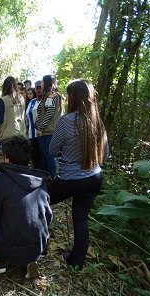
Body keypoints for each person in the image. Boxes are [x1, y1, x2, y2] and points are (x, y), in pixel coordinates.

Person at [47, 79, 108, 271]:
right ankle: (76, 261)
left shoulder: (66, 121)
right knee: (80, 218)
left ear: (74, 97)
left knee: (40, 199)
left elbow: (51, 150)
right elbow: (105, 154)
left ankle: (36, 244)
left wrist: (66, 152)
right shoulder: (98, 121)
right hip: (95, 178)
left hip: (71, 180)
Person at [0, 135, 52, 277]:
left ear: (7, 158)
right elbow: (47, 217)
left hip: (7, 248)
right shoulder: (40, 180)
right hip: (38, 246)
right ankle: (30, 260)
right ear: (28, 158)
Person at [35, 75, 64, 178]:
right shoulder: (48, 95)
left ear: (46, 83)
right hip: (46, 131)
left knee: (50, 157)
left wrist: (41, 128)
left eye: (42, 82)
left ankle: (52, 180)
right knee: (47, 157)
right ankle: (48, 179)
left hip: (48, 132)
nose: (41, 85)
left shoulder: (52, 95)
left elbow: (49, 113)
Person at [0, 76, 26, 155]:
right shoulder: (22, 99)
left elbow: (0, 119)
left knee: (8, 160)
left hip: (8, 134)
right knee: (18, 159)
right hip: (21, 133)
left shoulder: (3, 100)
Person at [25, 81, 43, 170]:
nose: (39, 90)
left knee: (43, 155)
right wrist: (27, 127)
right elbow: (27, 116)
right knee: (34, 154)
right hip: (32, 133)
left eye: (40, 87)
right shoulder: (31, 102)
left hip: (43, 134)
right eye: (37, 88)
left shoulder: (47, 100)